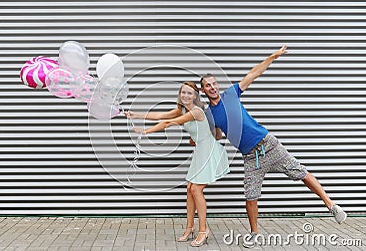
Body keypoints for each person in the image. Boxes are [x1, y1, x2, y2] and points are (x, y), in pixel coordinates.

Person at [200, 45, 347, 248]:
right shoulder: (209, 114)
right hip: (251, 157)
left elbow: (254, 73)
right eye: (208, 85)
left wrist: (273, 56)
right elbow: (217, 135)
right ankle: (254, 233)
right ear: (204, 90)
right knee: (250, 196)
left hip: (269, 144)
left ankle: (332, 206)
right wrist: (205, 133)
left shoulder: (231, 94)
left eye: (214, 83)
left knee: (302, 173)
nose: (213, 87)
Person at [125, 81, 229, 247]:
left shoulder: (195, 111)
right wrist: (135, 115)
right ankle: (190, 228)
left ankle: (203, 230)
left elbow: (168, 123)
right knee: (189, 189)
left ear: (195, 96)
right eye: (183, 93)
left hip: (208, 151)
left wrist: (145, 132)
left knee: (196, 189)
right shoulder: (182, 109)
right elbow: (160, 116)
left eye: (189, 93)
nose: (186, 96)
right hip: (200, 151)